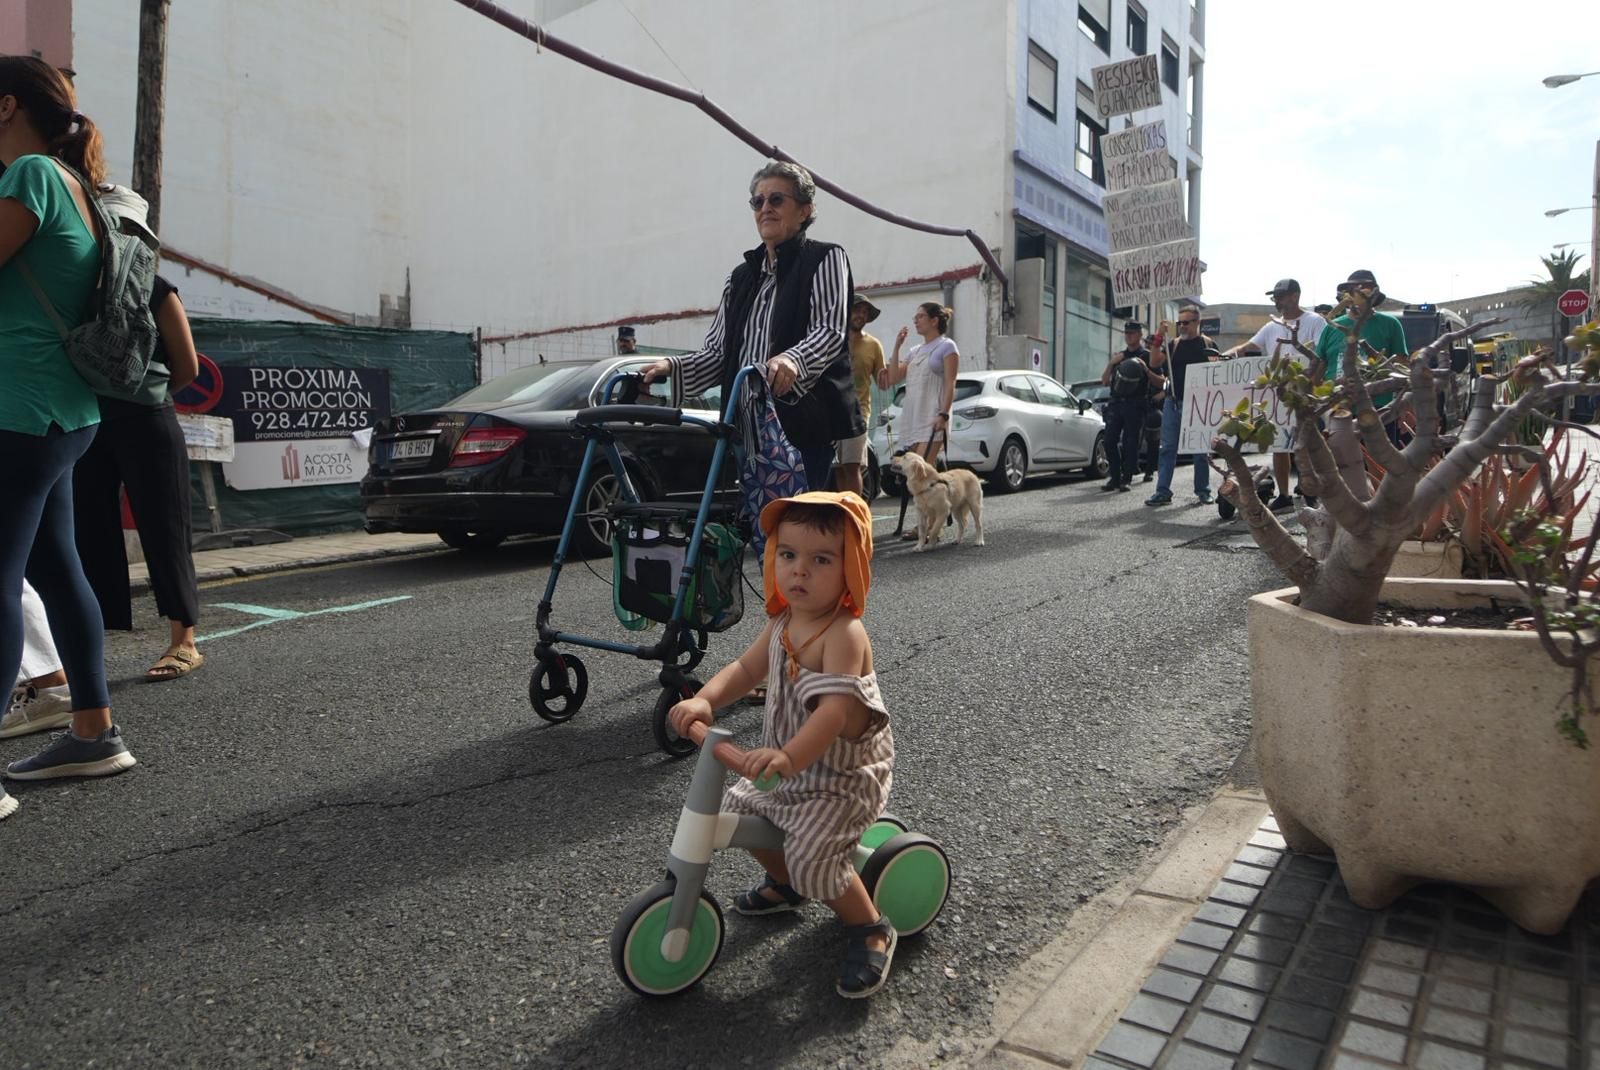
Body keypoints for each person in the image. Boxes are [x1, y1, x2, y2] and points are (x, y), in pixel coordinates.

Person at [666, 492, 896, 999]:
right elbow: (745, 671)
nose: (800, 572)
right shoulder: (781, 624)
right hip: (790, 772)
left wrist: (788, 757)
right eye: (788, 555)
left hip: (842, 779)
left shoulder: (844, 633)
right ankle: (791, 885)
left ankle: (871, 927)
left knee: (815, 852)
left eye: (821, 560)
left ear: (850, 568)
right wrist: (704, 701)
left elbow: (834, 713)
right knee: (740, 810)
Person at [0, 56, 137, 806]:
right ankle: (93, 732)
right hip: (63, 412)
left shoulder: (31, 177)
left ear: (7, 105)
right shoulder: (77, 184)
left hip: (17, 410)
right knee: (56, 569)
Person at [640, 161, 863, 492]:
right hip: (744, 429)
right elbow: (718, 354)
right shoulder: (740, 277)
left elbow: (829, 331)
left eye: (776, 199)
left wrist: (793, 360)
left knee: (794, 530)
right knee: (756, 532)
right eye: (757, 202)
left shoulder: (825, 258)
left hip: (800, 427)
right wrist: (669, 368)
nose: (765, 208)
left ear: (805, 210)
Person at [72, 187, 203, 679]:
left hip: (145, 420)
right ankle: (93, 641)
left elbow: (186, 367)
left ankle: (183, 641)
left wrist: (145, 390)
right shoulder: (73, 288)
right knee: (90, 530)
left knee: (165, 528)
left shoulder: (157, 288)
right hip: (93, 420)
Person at [1221, 279, 1326, 511]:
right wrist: (1223, 358)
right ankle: (1284, 494)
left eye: (1281, 296)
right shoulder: (1272, 326)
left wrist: (1313, 383)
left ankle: (1310, 491)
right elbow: (1248, 346)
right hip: (1278, 395)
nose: (1277, 301)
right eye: (1275, 297)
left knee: (1306, 445)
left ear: (1295, 296)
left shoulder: (1315, 322)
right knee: (1280, 445)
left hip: (1304, 393)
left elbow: (1321, 355)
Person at [879, 302, 958, 539]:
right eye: (916, 316)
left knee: (923, 473)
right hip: (914, 417)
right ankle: (934, 521)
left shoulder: (947, 347)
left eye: (921, 316)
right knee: (918, 474)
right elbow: (893, 377)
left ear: (934, 320)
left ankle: (931, 526)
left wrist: (943, 414)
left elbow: (950, 382)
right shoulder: (914, 351)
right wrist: (896, 346)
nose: (916, 320)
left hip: (933, 416)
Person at [1316, 269, 1411, 445]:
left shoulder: (1390, 325)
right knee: (1341, 467)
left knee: (1380, 466)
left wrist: (1403, 406)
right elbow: (1318, 369)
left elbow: (1401, 369)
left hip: (1380, 410)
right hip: (1338, 411)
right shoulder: (1332, 327)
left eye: (1366, 291)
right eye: (1355, 291)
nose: (1360, 295)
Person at [1146, 305, 1217, 506]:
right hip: (1173, 402)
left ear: (1197, 322)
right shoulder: (1174, 345)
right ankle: (1162, 491)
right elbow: (1154, 361)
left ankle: (1203, 490)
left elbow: (1217, 372)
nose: (1182, 326)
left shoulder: (1208, 344)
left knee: (1200, 449)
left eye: (1186, 322)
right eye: (1179, 323)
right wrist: (1158, 337)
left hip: (1198, 404)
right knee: (1168, 448)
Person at [1099, 320, 1164, 493]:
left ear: (1139, 335)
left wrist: (1146, 370)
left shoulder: (1148, 356)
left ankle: (1126, 479)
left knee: (1131, 442)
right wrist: (1111, 363)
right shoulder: (1120, 356)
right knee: (1109, 441)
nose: (1128, 336)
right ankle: (1114, 476)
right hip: (1116, 403)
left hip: (1136, 404)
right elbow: (1104, 381)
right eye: (1126, 333)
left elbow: (1162, 382)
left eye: (1132, 333)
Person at [833, 293, 884, 498]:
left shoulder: (873, 345)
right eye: (857, 310)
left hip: (858, 412)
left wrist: (896, 354)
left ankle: (854, 514)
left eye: (865, 312)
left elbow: (882, 381)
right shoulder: (835, 340)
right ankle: (843, 512)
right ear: (847, 312)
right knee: (837, 466)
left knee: (852, 466)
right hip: (832, 410)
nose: (861, 315)